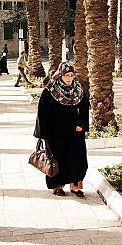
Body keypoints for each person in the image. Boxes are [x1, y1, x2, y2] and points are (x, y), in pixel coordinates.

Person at [34, 62, 90, 197]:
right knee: (57, 159)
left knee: (77, 158)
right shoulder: (49, 91)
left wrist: (81, 124)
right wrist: (45, 133)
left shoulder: (78, 89)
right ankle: (57, 186)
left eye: (72, 75)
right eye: (66, 75)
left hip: (75, 131)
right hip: (56, 132)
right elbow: (42, 112)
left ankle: (75, 187)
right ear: (60, 74)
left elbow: (84, 109)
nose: (69, 78)